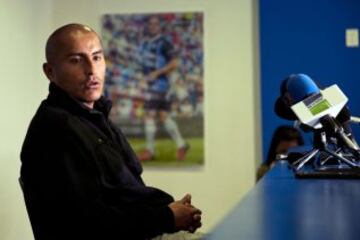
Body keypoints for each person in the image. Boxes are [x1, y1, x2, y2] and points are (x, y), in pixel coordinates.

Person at [20, 23, 202, 240]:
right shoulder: (55, 130)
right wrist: (167, 217)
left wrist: (172, 210)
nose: (91, 69)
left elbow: (126, 194)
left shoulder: (94, 116)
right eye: (76, 60)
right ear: (50, 72)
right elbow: (90, 224)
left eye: (96, 57)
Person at [138, 16, 189, 161]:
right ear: (148, 26)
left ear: (159, 26)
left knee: (149, 114)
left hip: (161, 85)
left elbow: (175, 63)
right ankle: (181, 144)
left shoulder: (164, 43)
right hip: (153, 85)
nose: (153, 26)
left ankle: (150, 151)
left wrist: (157, 73)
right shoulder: (147, 43)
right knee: (163, 116)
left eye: (155, 24)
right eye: (150, 23)